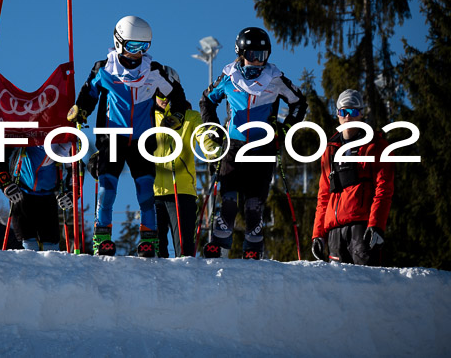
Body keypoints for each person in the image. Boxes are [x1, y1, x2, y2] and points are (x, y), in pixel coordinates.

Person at [67, 15, 187, 257]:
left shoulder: (153, 71)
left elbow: (177, 95)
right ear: (119, 42)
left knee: (145, 189)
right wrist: (81, 109)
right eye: (133, 46)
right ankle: (102, 236)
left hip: (142, 139)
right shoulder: (105, 68)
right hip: (113, 136)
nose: (138, 53)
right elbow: (89, 92)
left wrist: (177, 114)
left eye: (144, 47)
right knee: (107, 187)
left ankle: (148, 239)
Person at [199, 27, 306, 259]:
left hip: (263, 147)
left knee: (254, 202)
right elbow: (206, 101)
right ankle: (218, 243)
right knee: (227, 199)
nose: (258, 62)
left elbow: (299, 102)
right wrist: (214, 129)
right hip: (234, 145)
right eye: (253, 55)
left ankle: (253, 247)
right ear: (241, 53)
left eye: (263, 56)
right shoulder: (229, 77)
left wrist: (284, 129)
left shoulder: (275, 79)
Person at [311, 89, 394, 266]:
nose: (348, 117)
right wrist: (318, 234)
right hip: (334, 232)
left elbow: (383, 189)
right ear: (338, 115)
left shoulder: (376, 146)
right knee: (336, 289)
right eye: (343, 112)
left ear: (361, 115)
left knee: (365, 286)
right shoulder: (329, 150)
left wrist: (377, 225)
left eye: (353, 112)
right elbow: (324, 195)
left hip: (362, 229)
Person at [153, 93, 206, 258]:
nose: (164, 99)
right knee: (155, 251)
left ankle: (186, 281)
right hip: (152, 190)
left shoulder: (190, 116)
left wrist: (213, 148)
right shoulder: (146, 115)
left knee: (184, 250)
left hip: (181, 189)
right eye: (160, 94)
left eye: (168, 93)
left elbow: (203, 136)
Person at [0, 145, 72, 251]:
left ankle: (53, 266)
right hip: (21, 191)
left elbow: (75, 167)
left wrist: (72, 192)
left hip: (48, 194)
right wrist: (5, 182)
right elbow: (1, 149)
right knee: (27, 243)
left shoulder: (63, 134)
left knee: (51, 246)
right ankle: (27, 265)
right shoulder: (24, 129)